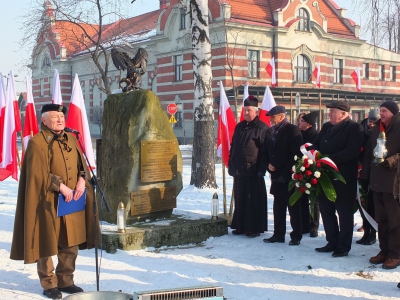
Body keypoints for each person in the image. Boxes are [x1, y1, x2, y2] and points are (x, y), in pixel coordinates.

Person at [10, 104, 99, 299]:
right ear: (44, 120)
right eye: (55, 116)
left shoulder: (72, 139)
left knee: (71, 242)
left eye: (61, 116)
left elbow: (80, 165)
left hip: (71, 202)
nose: (60, 119)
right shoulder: (37, 143)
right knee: (47, 243)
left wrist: (82, 180)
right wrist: (62, 187)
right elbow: (37, 174)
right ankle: (49, 283)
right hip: (47, 202)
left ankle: (66, 280)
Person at [313, 101, 363, 257]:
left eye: (333, 111)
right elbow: (317, 143)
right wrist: (312, 153)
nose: (330, 114)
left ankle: (343, 246)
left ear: (344, 113)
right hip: (324, 176)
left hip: (343, 178)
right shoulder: (327, 126)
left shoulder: (354, 127)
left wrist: (329, 160)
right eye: (330, 111)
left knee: (344, 212)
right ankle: (332, 241)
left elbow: (352, 150)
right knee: (326, 210)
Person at [361, 100, 400, 269]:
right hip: (377, 181)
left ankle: (395, 253)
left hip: (394, 181)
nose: (381, 113)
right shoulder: (377, 128)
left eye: (384, 111)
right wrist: (365, 177)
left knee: (395, 220)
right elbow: (369, 153)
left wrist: (391, 160)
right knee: (381, 220)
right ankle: (383, 250)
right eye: (380, 110)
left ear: (393, 112)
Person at [228, 95, 269, 237]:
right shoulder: (239, 126)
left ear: (256, 112)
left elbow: (265, 151)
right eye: (244, 110)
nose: (246, 113)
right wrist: (231, 164)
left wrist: (261, 170)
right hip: (239, 170)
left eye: (249, 110)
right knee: (240, 200)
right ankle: (240, 226)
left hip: (253, 171)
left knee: (252, 201)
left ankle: (253, 228)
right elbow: (233, 147)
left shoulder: (262, 128)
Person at [263, 106, 303, 245]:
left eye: (273, 116)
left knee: (293, 207)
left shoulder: (292, 130)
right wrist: (268, 164)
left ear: (281, 116)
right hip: (275, 174)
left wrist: (287, 172)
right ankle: (278, 234)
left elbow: (296, 154)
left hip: (290, 175)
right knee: (278, 207)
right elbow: (265, 151)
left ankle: (296, 235)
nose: (271, 119)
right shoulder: (269, 131)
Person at [356, 109, 379, 245]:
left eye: (375, 123)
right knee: (362, 203)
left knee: (372, 205)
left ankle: (373, 233)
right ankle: (366, 232)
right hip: (360, 172)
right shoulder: (360, 131)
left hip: (374, 173)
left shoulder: (380, 132)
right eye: (370, 122)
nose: (372, 125)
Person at [298, 111, 320, 237]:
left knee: (314, 200)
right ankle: (304, 224)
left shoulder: (315, 135)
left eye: (302, 121)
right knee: (302, 198)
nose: (299, 123)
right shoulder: (298, 134)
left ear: (309, 124)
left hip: (313, 169)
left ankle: (314, 226)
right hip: (301, 168)